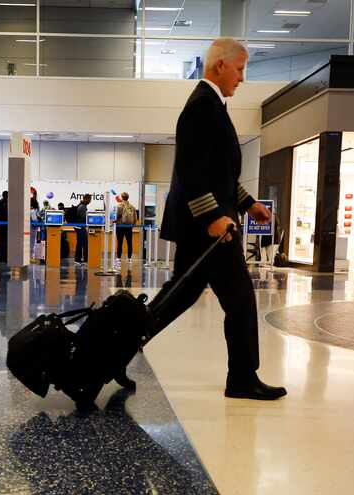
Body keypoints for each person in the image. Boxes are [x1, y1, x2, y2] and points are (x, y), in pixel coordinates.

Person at [147, 38, 285, 401]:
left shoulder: (212, 105)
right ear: (219, 65)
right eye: (240, 68)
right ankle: (241, 378)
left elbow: (219, 175)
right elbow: (191, 172)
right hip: (209, 228)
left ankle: (118, 348)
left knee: (178, 295)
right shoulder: (201, 107)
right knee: (239, 299)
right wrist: (213, 216)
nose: (242, 77)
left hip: (206, 225)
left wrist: (249, 203)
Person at [115, 191, 137, 262]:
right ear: (128, 198)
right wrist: (132, 225)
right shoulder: (132, 207)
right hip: (128, 227)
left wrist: (115, 221)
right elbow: (135, 218)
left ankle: (118, 258)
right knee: (129, 242)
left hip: (120, 226)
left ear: (122, 197)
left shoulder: (119, 206)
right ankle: (129, 258)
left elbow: (117, 216)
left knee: (120, 242)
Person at [74, 194, 91, 265]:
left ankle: (83, 259)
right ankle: (78, 259)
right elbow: (84, 218)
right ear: (86, 199)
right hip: (80, 227)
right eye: (89, 199)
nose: (90, 201)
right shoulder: (82, 207)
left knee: (83, 243)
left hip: (80, 227)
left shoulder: (81, 205)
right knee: (81, 243)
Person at [0, 190, 9, 262]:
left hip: (0, 226)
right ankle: (6, 256)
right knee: (6, 241)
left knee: (0, 241)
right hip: (7, 227)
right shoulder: (9, 204)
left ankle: (1, 256)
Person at [30, 196, 41, 262]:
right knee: (32, 242)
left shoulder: (28, 210)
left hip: (28, 228)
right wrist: (39, 220)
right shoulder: (33, 211)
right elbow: (34, 221)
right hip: (32, 229)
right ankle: (31, 257)